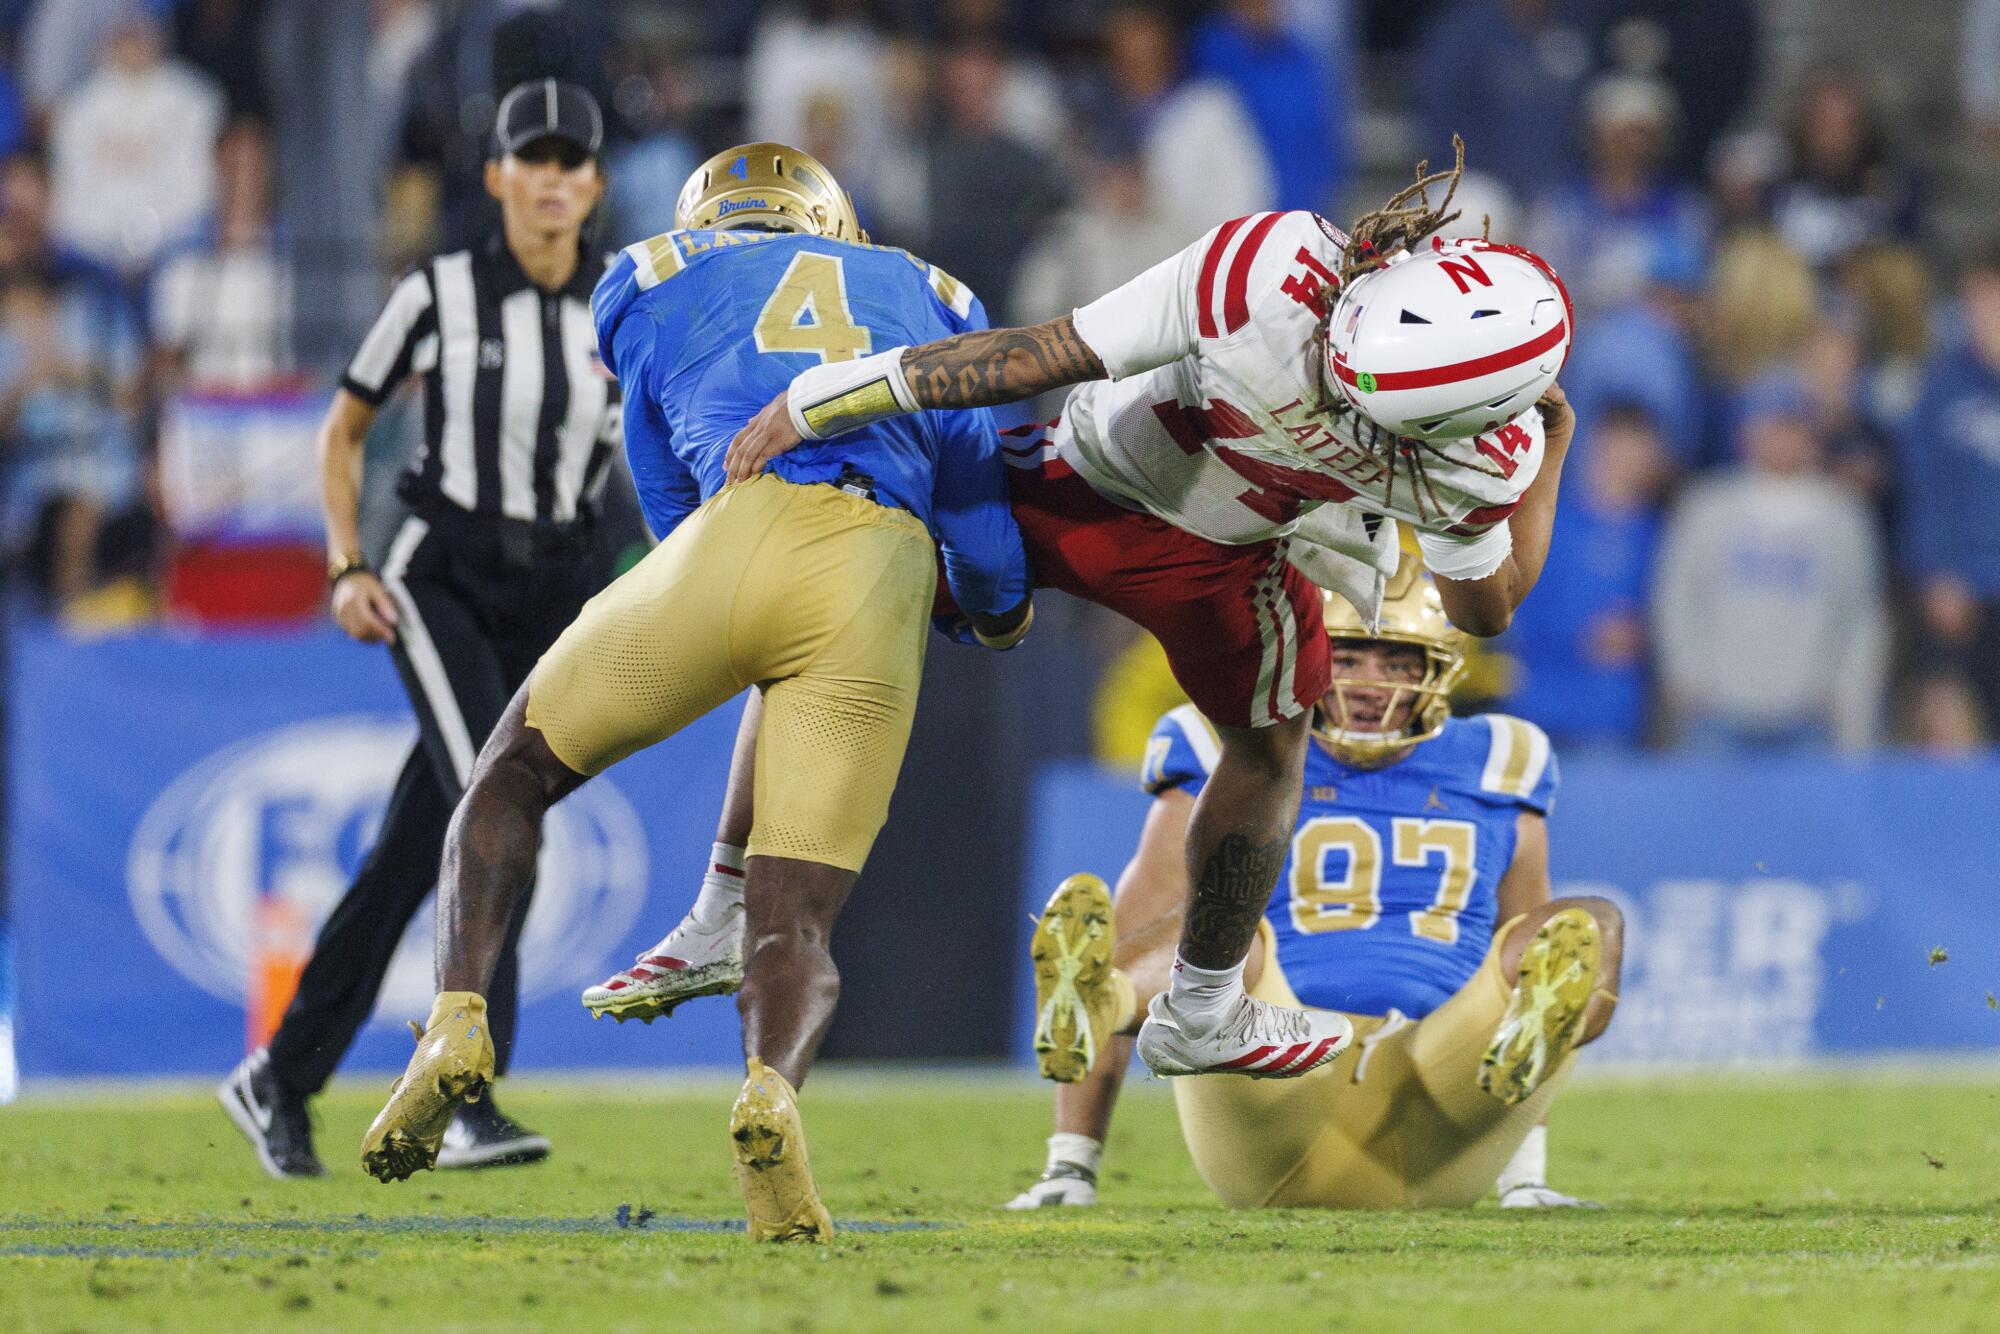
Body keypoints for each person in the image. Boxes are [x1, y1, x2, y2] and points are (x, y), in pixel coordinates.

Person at [608, 148, 1577, 1099]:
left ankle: (1199, 1007)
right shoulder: (1270, 273)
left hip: (1179, 537)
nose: (1334, 387)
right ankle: (729, 906)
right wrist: (818, 398)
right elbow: (1042, 352)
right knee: (826, 607)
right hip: (1097, 489)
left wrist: (1547, 454)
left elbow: (1479, 608)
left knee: (1271, 740)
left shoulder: (1480, 447)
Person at [356, 143, 1034, 1247]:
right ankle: (768, 1091)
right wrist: (995, 614)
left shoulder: (652, 273)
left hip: (734, 530)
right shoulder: (932, 291)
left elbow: (668, 489)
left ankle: (455, 1017)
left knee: (510, 771)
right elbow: (983, 536)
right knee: (795, 920)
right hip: (879, 569)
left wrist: (722, 616)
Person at [217, 80, 625, 1179]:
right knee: (501, 808)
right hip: (441, 574)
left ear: (594, 183)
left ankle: (281, 1074)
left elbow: (641, 466)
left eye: (570, 162)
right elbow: (342, 430)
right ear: (494, 176)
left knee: (420, 849)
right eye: (528, 160)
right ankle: (465, 1092)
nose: (549, 180)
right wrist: (347, 561)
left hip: (552, 594)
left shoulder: (625, 304)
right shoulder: (441, 291)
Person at [1009, 557, 1622, 1210]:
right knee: (1223, 936)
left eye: (1397, 662)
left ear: (1438, 667)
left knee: (1581, 927)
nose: (1369, 683)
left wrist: (1522, 1177)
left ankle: (1524, 1175)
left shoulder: (1502, 761)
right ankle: (1092, 1003)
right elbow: (1135, 933)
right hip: (1269, 1085)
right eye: (1350, 657)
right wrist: (1070, 1166)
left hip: (1445, 1094)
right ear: (1311, 655)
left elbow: (1534, 976)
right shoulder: (1225, 748)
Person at [1653, 370, 1887, 751]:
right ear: (1746, 431)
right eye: (1769, 425)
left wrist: (1850, 709)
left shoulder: (1843, 516)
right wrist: (1685, 676)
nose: (1780, 438)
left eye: (1790, 426)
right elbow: (1677, 596)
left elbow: (1861, 618)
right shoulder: (1707, 507)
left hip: (1809, 719)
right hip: (1717, 715)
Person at [1899, 236, 2000, 734]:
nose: (1981, 313)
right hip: (1964, 596)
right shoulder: (1944, 387)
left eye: (1991, 298)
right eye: (1974, 300)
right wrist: (1936, 572)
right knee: (1952, 734)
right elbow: (1923, 490)